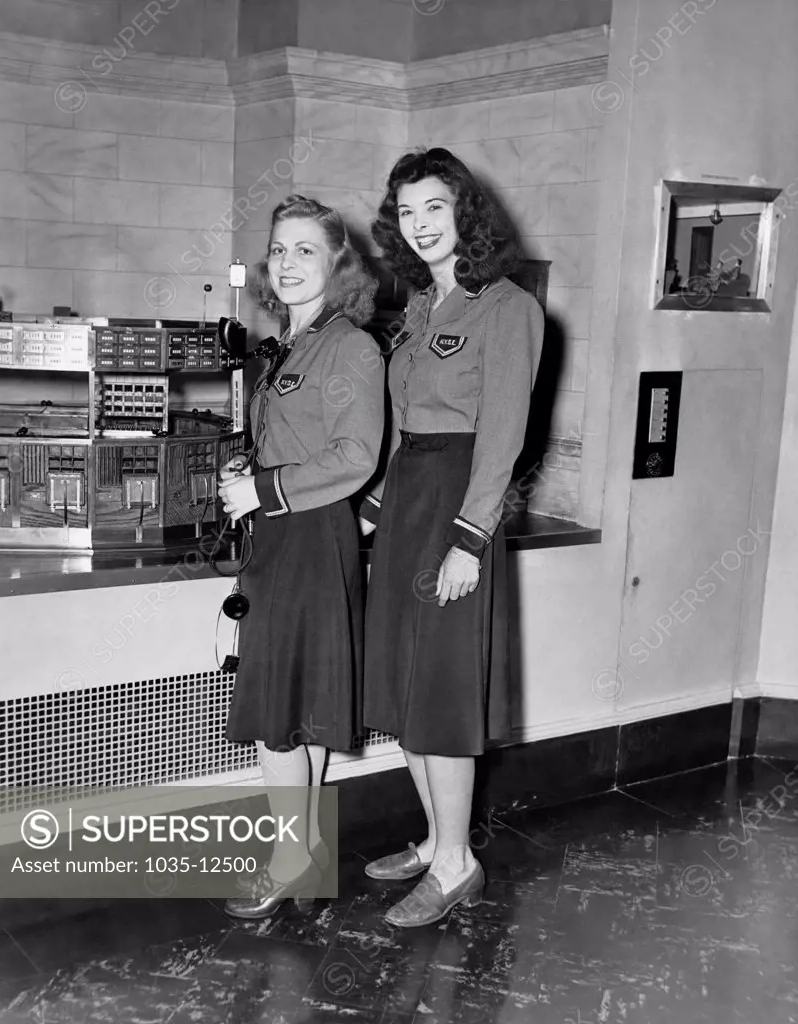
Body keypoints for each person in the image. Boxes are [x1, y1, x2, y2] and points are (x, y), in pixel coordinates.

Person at [359, 148, 544, 928]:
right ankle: (438, 839)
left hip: (458, 509)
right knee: (407, 689)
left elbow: (502, 435)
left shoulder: (507, 308)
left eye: (434, 206)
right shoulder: (417, 311)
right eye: (406, 212)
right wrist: (370, 515)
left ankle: (456, 864)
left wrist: (469, 540)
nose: (420, 224)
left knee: (441, 693)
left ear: (463, 212)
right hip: (408, 504)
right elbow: (401, 434)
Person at [218, 195, 384, 920]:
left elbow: (356, 456)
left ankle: (287, 860)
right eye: (278, 250)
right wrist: (247, 478)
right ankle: (305, 851)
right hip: (282, 537)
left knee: (277, 714)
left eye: (305, 250)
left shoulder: (348, 345)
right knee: (298, 711)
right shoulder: (292, 340)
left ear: (338, 265)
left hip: (309, 540)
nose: (286, 263)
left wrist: (260, 488)